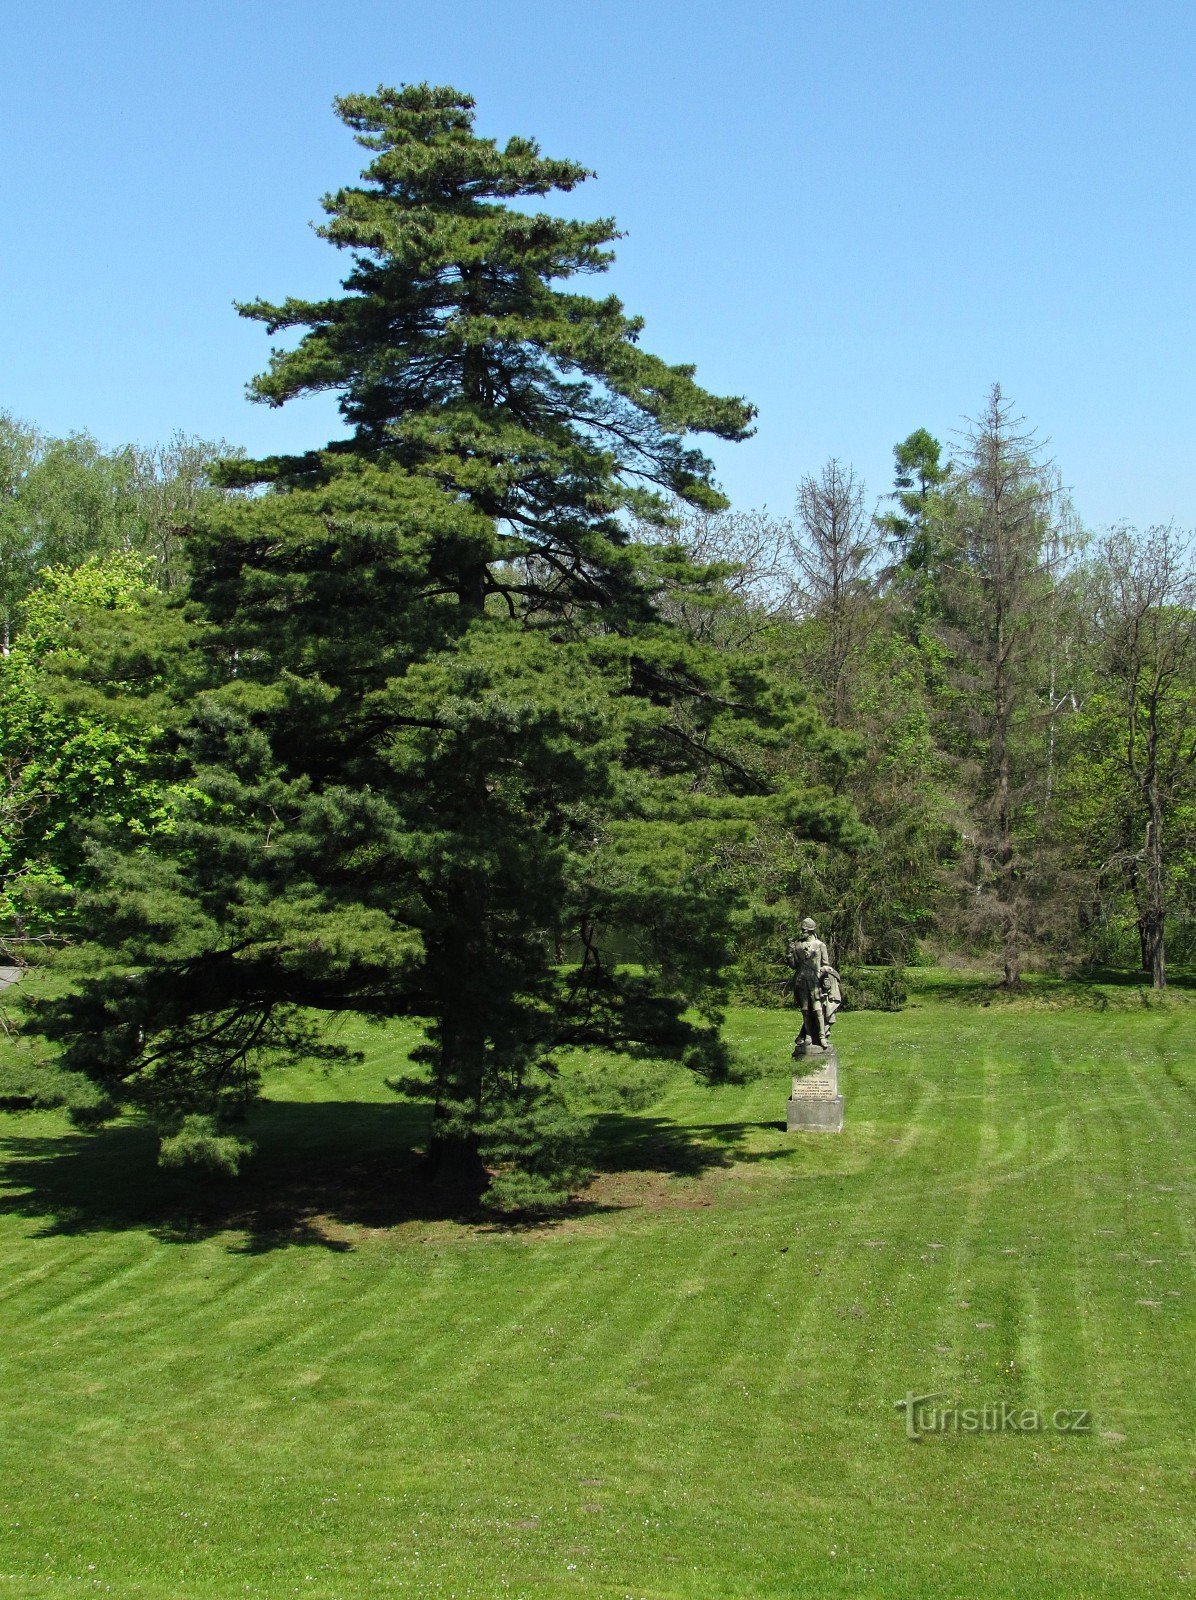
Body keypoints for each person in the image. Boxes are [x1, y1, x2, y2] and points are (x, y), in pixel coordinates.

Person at [787, 916, 839, 1051]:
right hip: (800, 981)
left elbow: (825, 965)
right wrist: (789, 951)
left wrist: (826, 979)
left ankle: (822, 1036)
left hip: (814, 981)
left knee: (817, 1009)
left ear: (811, 930)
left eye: (804, 929)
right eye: (802, 929)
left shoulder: (820, 945)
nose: (802, 931)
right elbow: (793, 965)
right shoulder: (798, 945)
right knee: (805, 1010)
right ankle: (809, 1036)